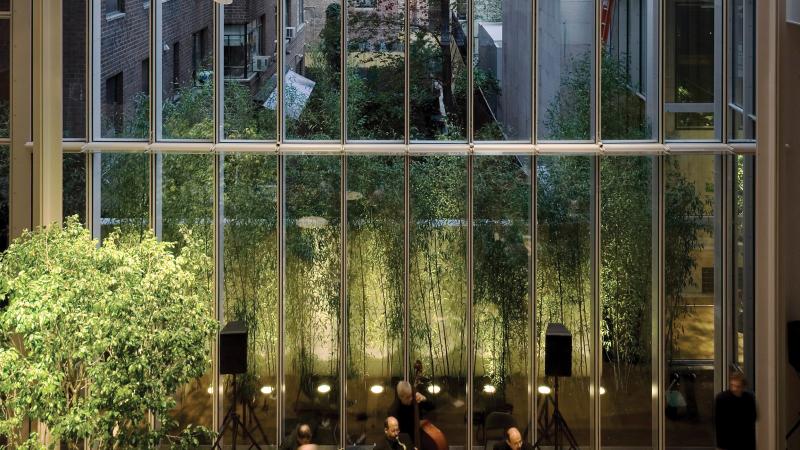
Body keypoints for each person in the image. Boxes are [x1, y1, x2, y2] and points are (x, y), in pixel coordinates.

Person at [714, 372, 757, 450]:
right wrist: (720, 445)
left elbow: (753, 419)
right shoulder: (722, 398)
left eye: (738, 386)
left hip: (745, 441)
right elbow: (719, 423)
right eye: (732, 386)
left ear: (743, 387)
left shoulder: (749, 398)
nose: (734, 389)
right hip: (728, 441)